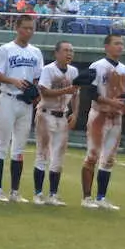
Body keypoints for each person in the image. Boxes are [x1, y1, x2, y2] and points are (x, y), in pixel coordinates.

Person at [0, 14, 44, 202]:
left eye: (31, 28)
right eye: (26, 28)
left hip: (25, 103)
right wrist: (13, 80)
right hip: (8, 98)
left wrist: (34, 92)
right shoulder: (6, 49)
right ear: (17, 28)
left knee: (19, 148)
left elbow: (37, 77)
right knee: (2, 145)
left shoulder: (36, 52)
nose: (29, 31)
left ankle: (15, 191)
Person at [81, 33, 125, 210]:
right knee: (92, 156)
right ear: (106, 46)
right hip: (99, 115)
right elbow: (91, 93)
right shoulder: (96, 66)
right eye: (116, 43)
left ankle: (101, 197)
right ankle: (87, 197)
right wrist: (111, 102)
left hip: (116, 117)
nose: (120, 46)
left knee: (109, 159)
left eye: (122, 44)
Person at [34, 40, 81, 206]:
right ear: (57, 53)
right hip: (46, 114)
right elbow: (44, 91)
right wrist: (66, 90)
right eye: (66, 50)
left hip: (62, 115)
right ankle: (38, 194)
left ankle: (53, 194)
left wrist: (75, 113)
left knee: (58, 157)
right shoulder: (48, 69)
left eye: (71, 51)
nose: (69, 53)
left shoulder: (73, 71)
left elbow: (76, 95)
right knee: (42, 154)